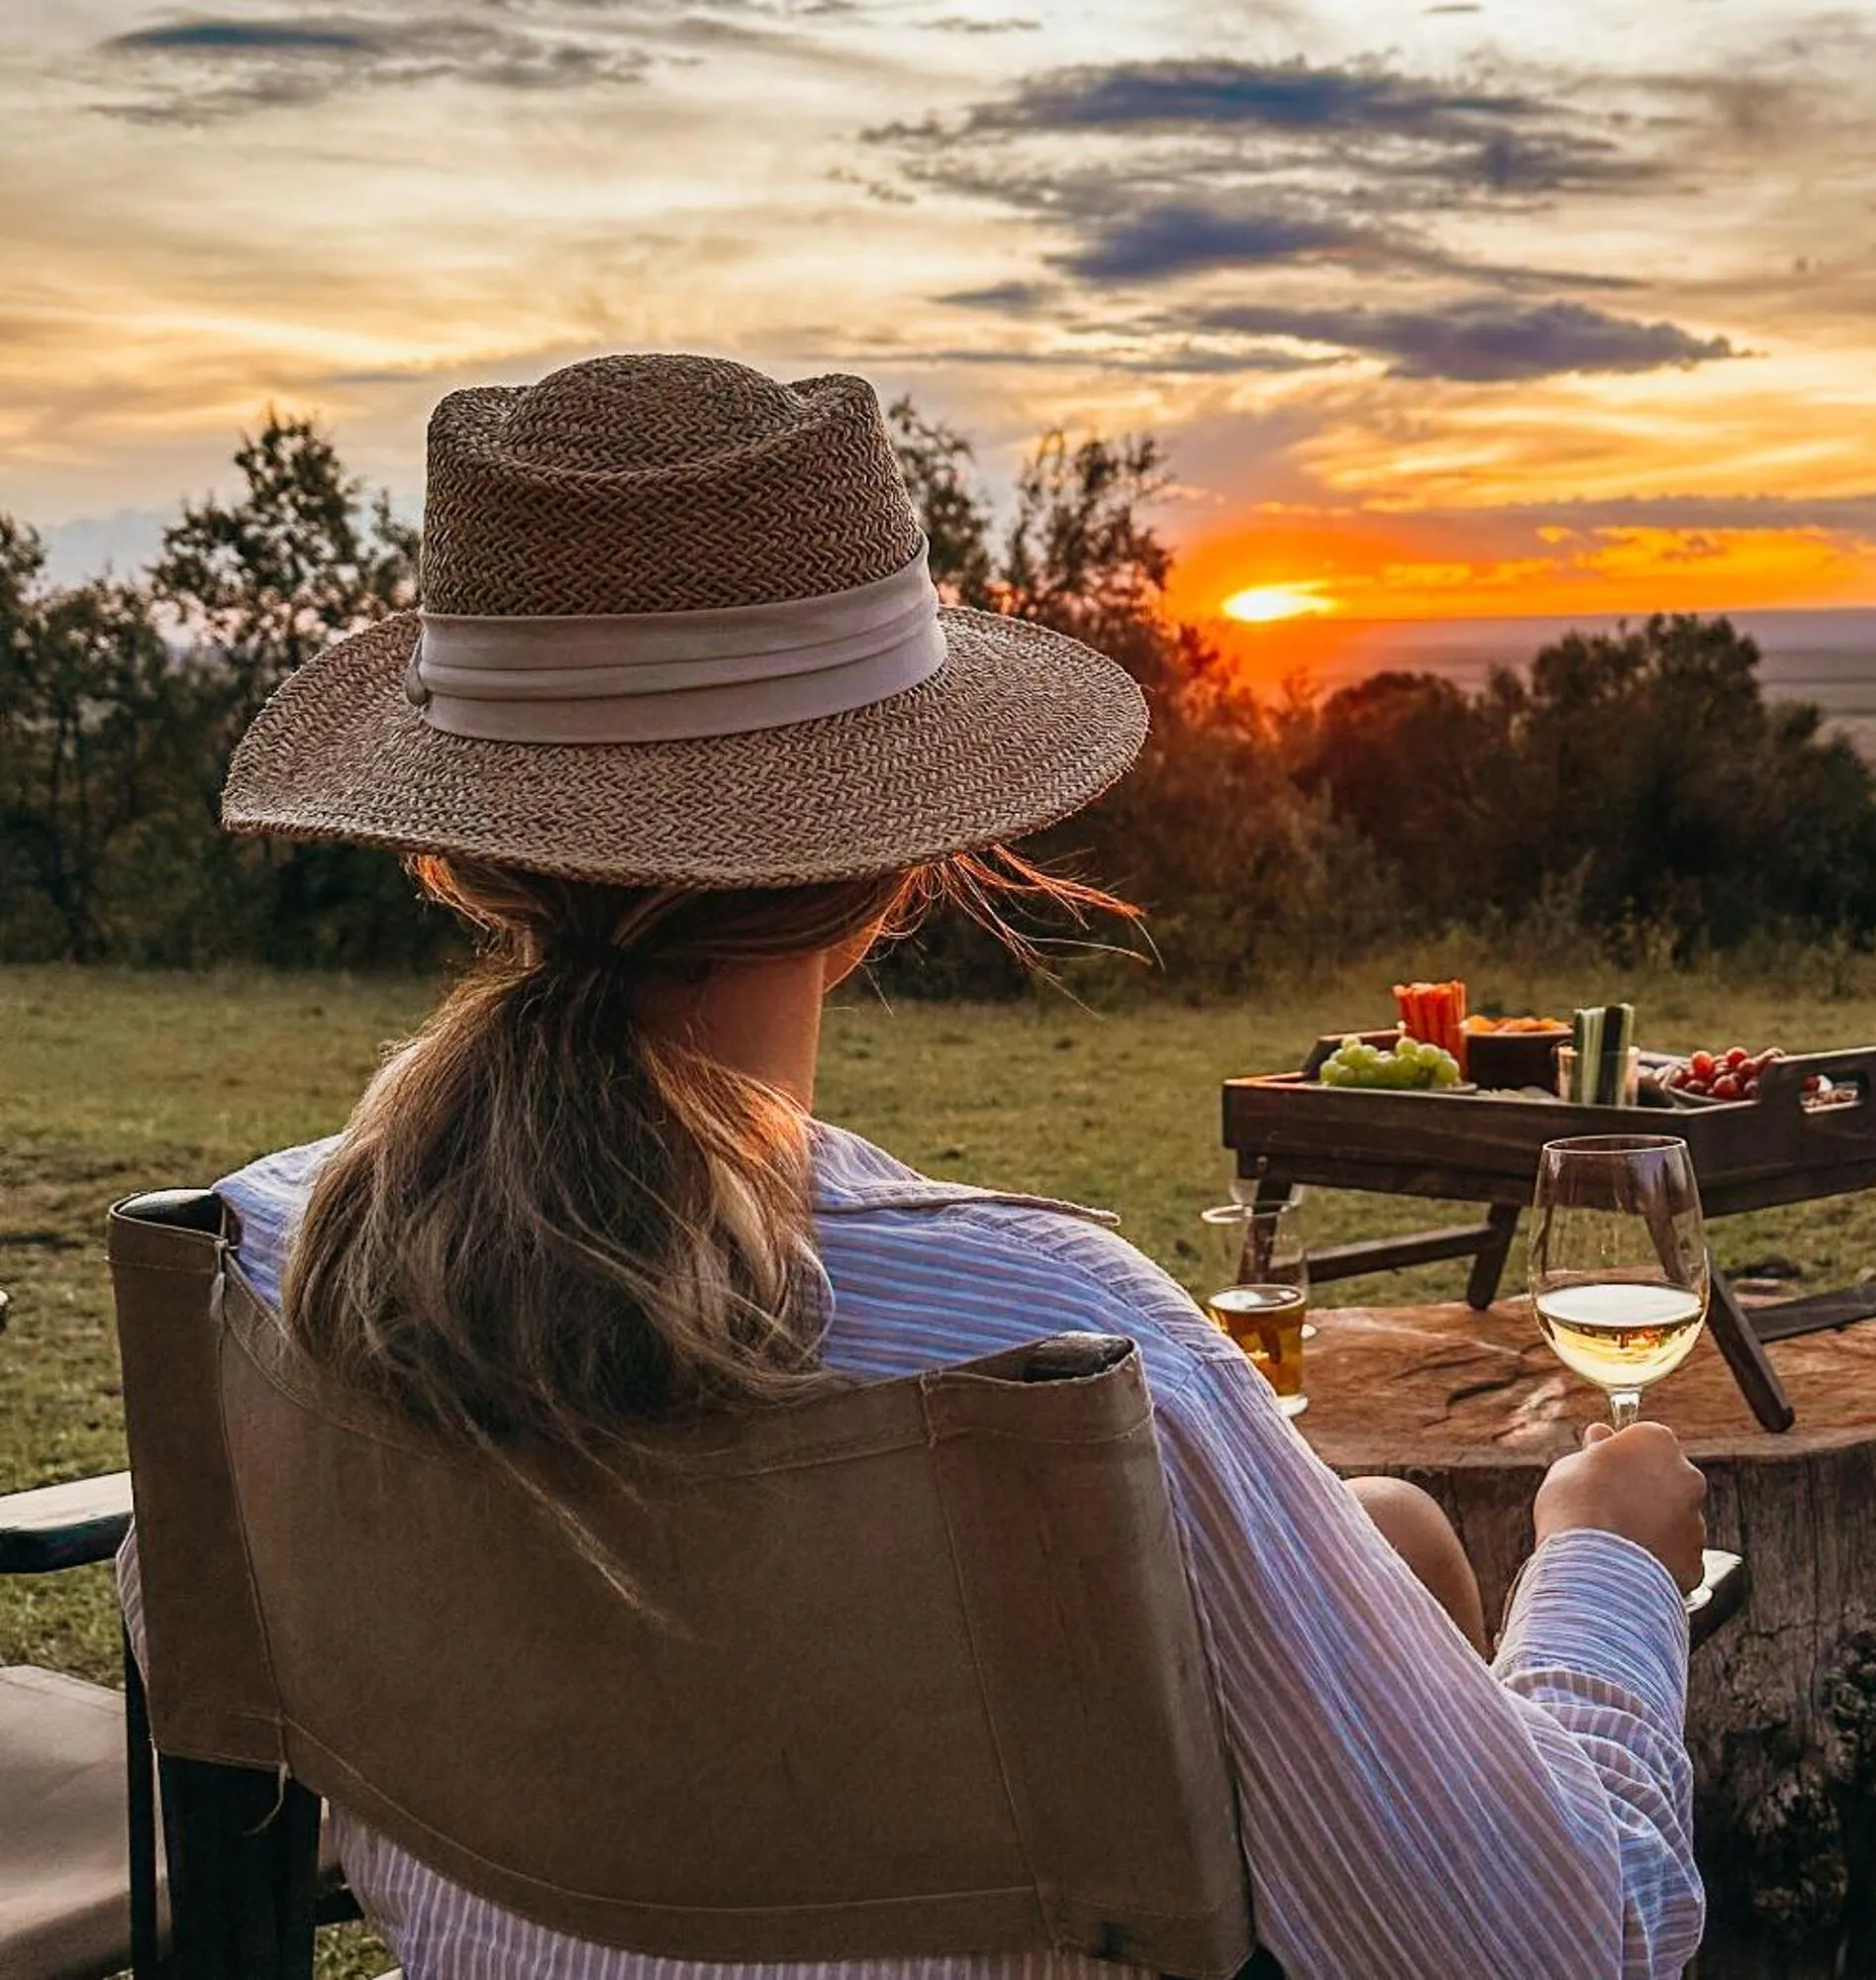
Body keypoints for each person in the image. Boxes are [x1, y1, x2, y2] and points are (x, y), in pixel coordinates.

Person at [123, 353, 1708, 1980]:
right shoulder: (1042, 1337)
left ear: (448, 846)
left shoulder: (270, 1244)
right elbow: (1550, 1952)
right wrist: (1605, 1567)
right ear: (894, 868)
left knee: (1383, 1536)